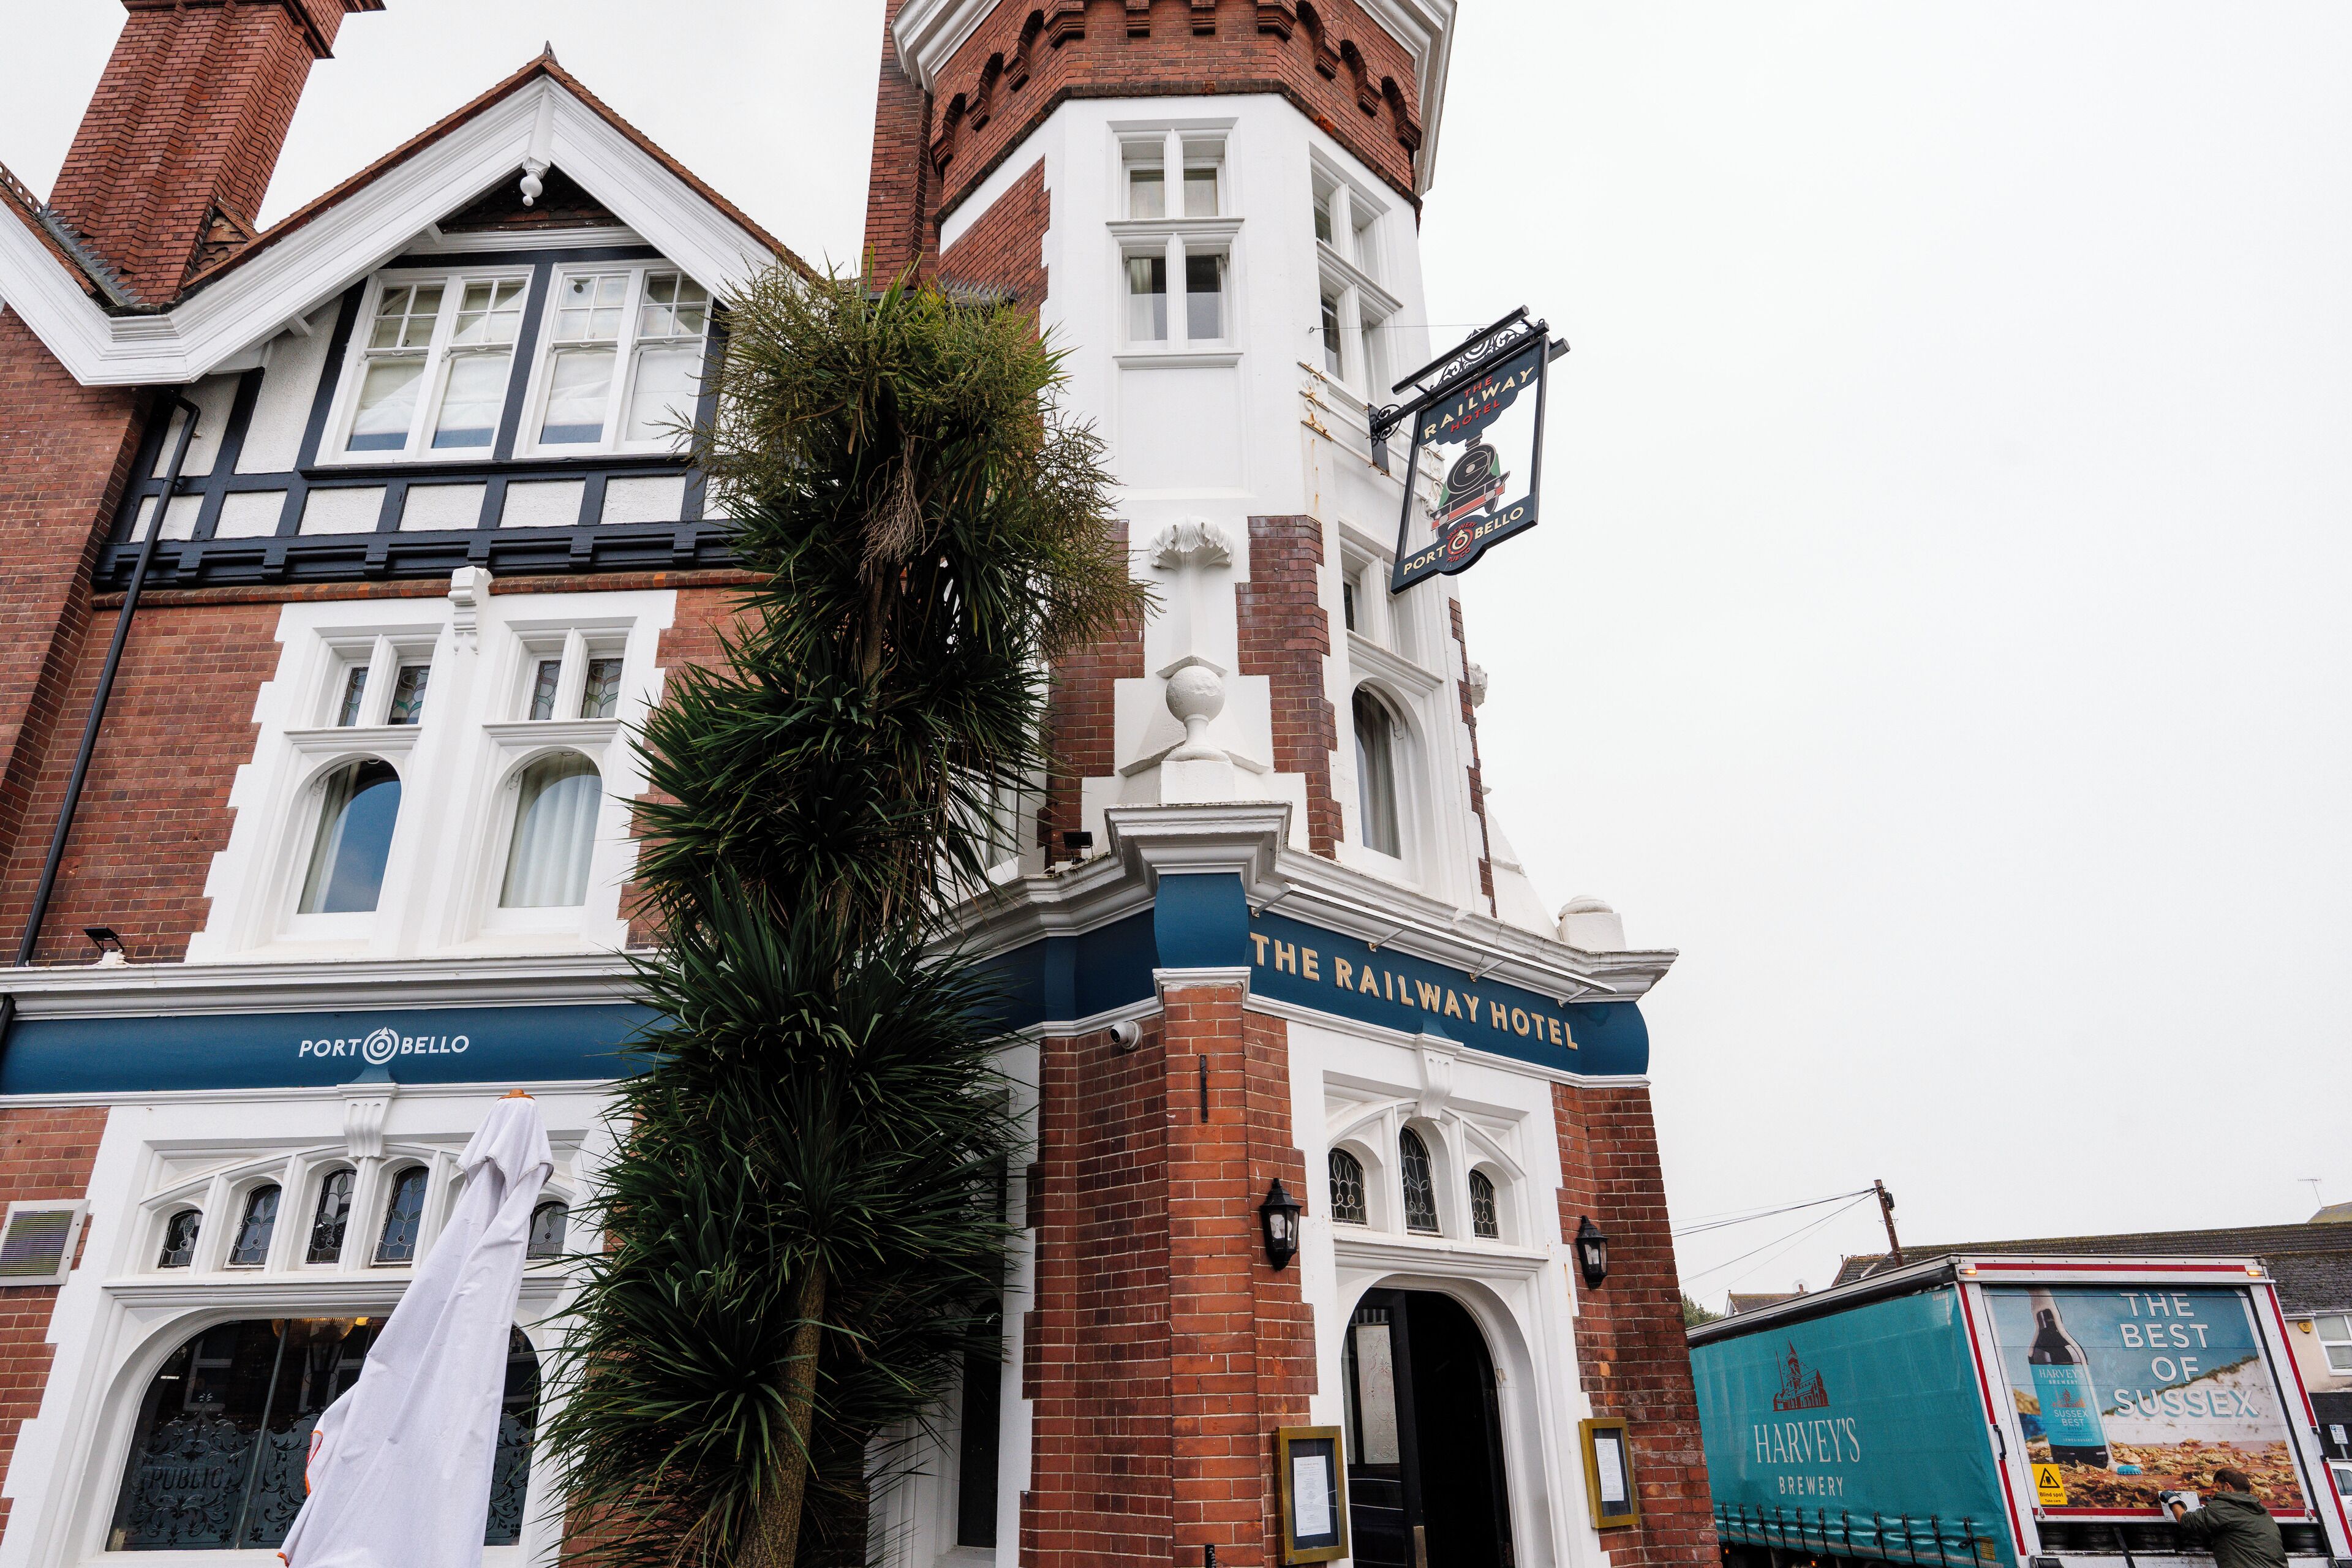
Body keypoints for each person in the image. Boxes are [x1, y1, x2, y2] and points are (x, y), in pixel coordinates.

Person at [2165, 1468, 2288, 1568]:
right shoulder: (2261, 1510)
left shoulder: (2227, 1506)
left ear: (2228, 1487)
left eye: (2219, 1489)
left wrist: (2173, 1499)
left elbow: (2187, 1521)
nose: (2217, 1494)